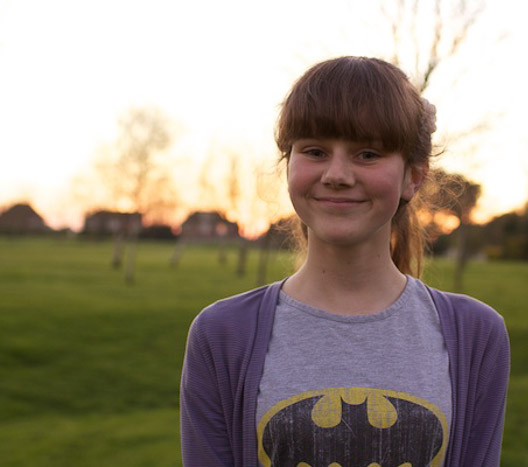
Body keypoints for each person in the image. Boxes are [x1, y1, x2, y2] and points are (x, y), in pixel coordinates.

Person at [180, 56, 510, 466]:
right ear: (288, 167)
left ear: (414, 176)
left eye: (367, 154)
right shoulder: (222, 334)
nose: (337, 173)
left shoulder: (475, 335)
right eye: (315, 151)